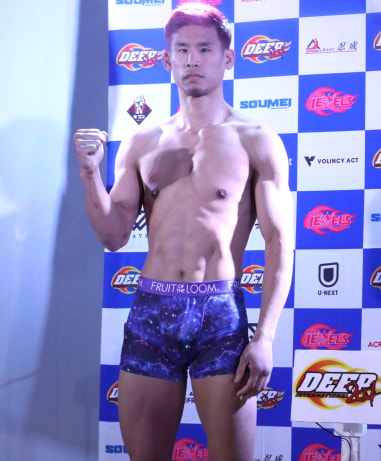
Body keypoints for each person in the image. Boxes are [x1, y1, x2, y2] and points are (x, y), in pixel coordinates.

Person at [73, 4, 294, 460]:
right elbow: (113, 236)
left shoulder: (256, 139)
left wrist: (266, 337)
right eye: (183, 50)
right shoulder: (142, 143)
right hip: (153, 310)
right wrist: (90, 173)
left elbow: (279, 242)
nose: (193, 59)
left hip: (220, 315)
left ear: (227, 59)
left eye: (205, 49)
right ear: (167, 60)